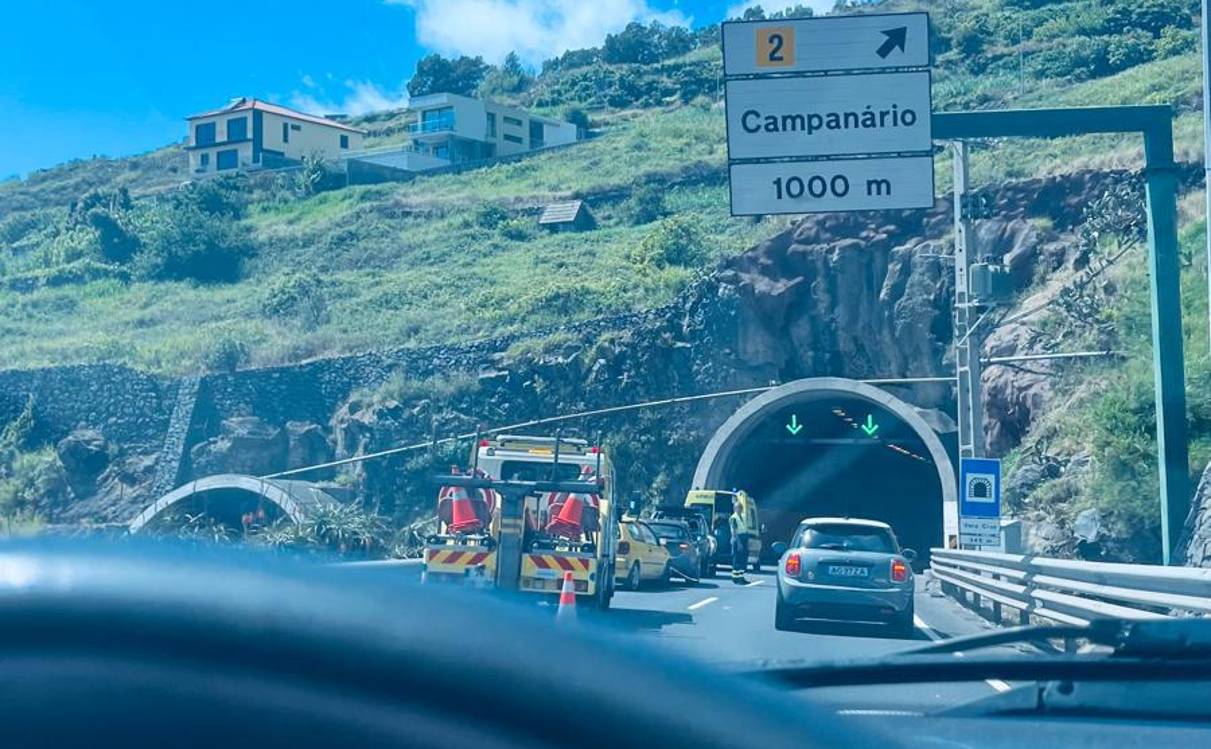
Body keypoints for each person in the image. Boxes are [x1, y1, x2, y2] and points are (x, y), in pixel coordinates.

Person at [728, 497, 750, 585]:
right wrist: (739, 543)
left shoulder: (743, 516)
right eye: (739, 507)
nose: (741, 509)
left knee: (743, 559)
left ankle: (741, 577)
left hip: (744, 538)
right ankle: (736, 578)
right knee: (737, 559)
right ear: (735, 508)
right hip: (737, 539)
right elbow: (734, 532)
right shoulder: (733, 518)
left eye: (741, 507)